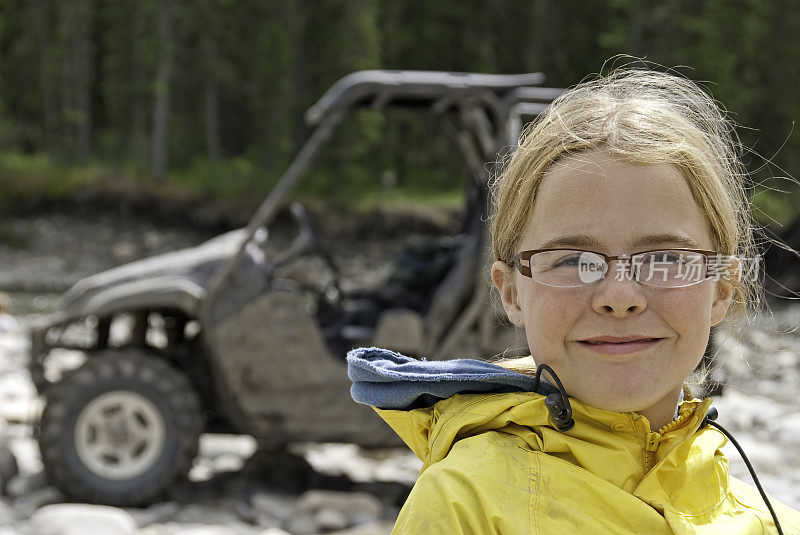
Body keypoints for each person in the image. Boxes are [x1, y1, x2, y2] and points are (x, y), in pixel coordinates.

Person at [347, 68, 800, 534]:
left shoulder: (770, 524)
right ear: (511, 292)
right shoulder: (466, 508)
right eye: (572, 261)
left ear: (722, 288)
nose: (619, 297)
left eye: (664, 258)